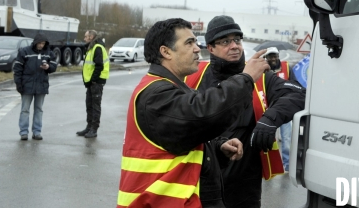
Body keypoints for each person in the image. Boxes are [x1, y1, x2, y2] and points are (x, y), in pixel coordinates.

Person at [117, 18, 270, 208]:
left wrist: (217, 148)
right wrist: (246, 79)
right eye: (189, 43)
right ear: (165, 51)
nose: (197, 48)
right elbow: (202, 115)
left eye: (196, 42)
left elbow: (183, 139)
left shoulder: (172, 88)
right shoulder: (155, 95)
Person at [185, 15, 306, 208]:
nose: (234, 46)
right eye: (225, 41)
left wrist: (269, 119)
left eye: (237, 40)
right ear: (211, 48)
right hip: (201, 181)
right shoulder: (193, 76)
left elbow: (298, 95)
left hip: (244, 185)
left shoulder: (260, 76)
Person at [13, 33, 57, 141]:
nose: (41, 45)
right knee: (25, 110)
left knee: (39, 109)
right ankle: (23, 132)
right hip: (27, 85)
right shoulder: (24, 51)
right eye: (40, 43)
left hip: (41, 85)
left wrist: (48, 67)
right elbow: (17, 69)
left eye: (43, 43)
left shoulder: (48, 53)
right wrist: (18, 84)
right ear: (35, 42)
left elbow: (54, 66)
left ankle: (37, 132)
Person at [262, 47, 300, 171]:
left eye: (274, 56)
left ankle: (287, 164)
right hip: (267, 109)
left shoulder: (286, 67)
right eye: (270, 56)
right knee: (267, 139)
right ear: (266, 58)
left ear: (278, 56)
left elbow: (295, 84)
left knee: (286, 138)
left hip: (284, 110)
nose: (273, 59)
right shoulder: (262, 69)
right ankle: (268, 164)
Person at [77, 29, 109, 138]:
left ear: (91, 37)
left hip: (96, 82)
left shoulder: (97, 48)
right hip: (91, 82)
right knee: (89, 105)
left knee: (95, 106)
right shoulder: (91, 47)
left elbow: (99, 66)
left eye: (86, 36)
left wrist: (94, 80)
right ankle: (89, 127)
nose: (84, 38)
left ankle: (94, 129)